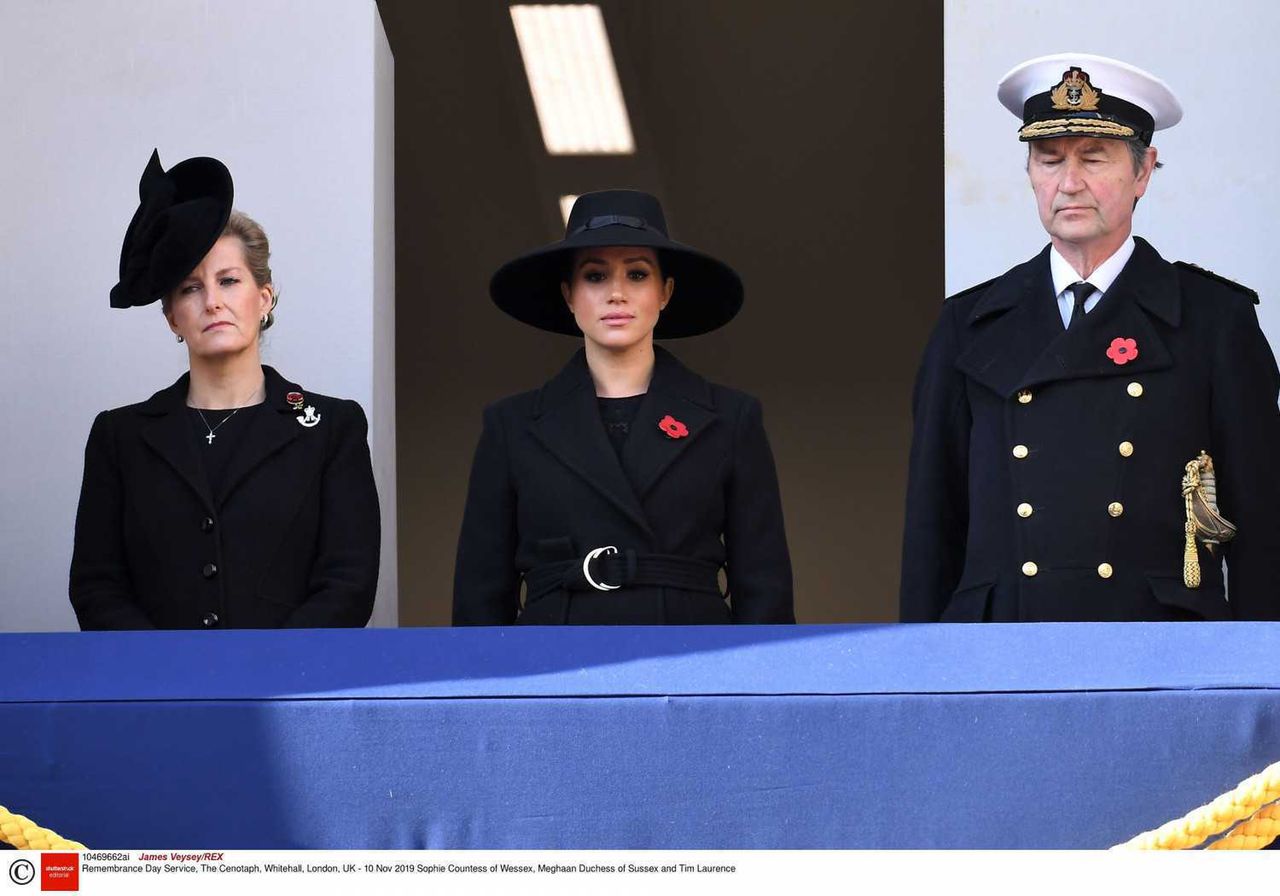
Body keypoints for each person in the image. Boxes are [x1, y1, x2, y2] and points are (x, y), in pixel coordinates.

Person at [901, 54, 1280, 622]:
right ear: (1029, 172)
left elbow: (1261, 524)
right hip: (1001, 652)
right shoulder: (969, 324)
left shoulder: (1213, 321)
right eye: (1049, 160)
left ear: (1144, 171)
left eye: (1094, 158)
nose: (1069, 183)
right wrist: (923, 683)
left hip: (1157, 651)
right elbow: (932, 527)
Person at [69, 150, 380, 629]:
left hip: (286, 690)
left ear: (264, 298)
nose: (212, 301)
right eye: (191, 289)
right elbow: (96, 585)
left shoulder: (331, 428)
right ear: (173, 317)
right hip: (159, 694)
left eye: (229, 281)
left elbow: (349, 583)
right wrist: (168, 673)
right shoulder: (120, 436)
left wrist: (264, 670)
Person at [453, 190, 793, 624]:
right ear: (569, 295)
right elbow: (480, 595)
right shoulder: (511, 426)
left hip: (691, 658)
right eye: (595, 277)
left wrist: (751, 685)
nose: (616, 293)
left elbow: (765, 587)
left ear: (665, 292)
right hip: (553, 663)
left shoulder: (731, 419)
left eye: (636, 274)